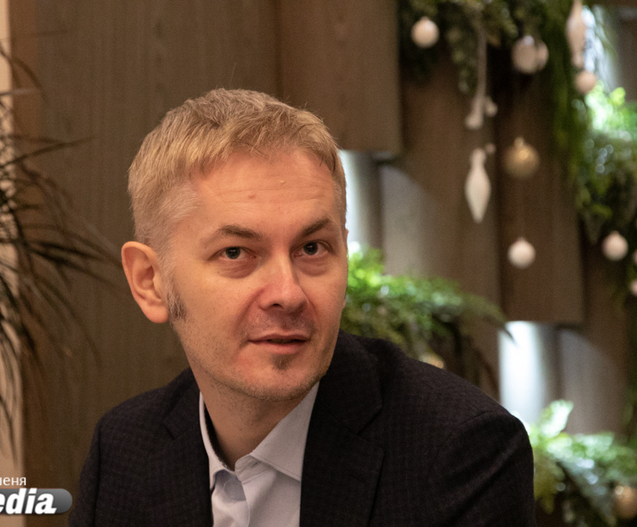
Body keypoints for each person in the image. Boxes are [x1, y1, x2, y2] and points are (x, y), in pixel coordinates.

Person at [69, 89, 536, 526]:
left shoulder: (458, 451)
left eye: (312, 248)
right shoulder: (124, 452)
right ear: (150, 282)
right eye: (236, 253)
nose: (288, 293)